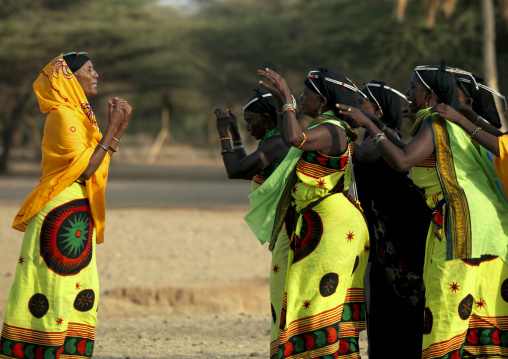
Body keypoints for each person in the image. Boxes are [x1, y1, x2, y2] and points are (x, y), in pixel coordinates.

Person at [337, 63, 508, 358]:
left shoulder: (437, 123)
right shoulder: (452, 123)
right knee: (480, 309)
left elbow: (403, 161)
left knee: (446, 302)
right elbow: (409, 150)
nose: (407, 93)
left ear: (429, 93)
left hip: (460, 225)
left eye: (412, 87)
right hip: (489, 228)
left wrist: (372, 127)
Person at [0, 52, 131, 359]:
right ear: (70, 78)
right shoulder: (62, 116)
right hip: (59, 211)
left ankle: (68, 351)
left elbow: (99, 161)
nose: (96, 73)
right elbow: (86, 169)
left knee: (76, 282)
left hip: (76, 211)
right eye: (89, 69)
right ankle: (42, 348)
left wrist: (119, 129)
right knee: (51, 282)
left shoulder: (81, 115)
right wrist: (111, 127)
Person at [245, 67, 369, 359]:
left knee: (316, 297)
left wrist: (287, 100)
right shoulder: (326, 127)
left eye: (306, 94)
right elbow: (292, 134)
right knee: (305, 293)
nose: (302, 98)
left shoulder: (333, 130)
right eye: (299, 94)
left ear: (323, 101)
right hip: (320, 219)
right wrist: (281, 105)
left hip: (332, 224)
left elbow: (295, 139)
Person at [353, 81, 430, 359]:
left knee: (396, 308)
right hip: (383, 237)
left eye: (362, 102)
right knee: (385, 310)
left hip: (397, 239)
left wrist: (339, 127)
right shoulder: (374, 137)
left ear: (378, 109)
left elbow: (361, 156)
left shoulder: (384, 138)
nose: (356, 106)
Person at [213, 90, 289, 191]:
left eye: (249, 121)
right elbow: (248, 172)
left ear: (266, 118)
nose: (248, 128)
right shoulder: (278, 137)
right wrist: (235, 134)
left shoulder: (276, 142)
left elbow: (234, 171)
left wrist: (223, 133)